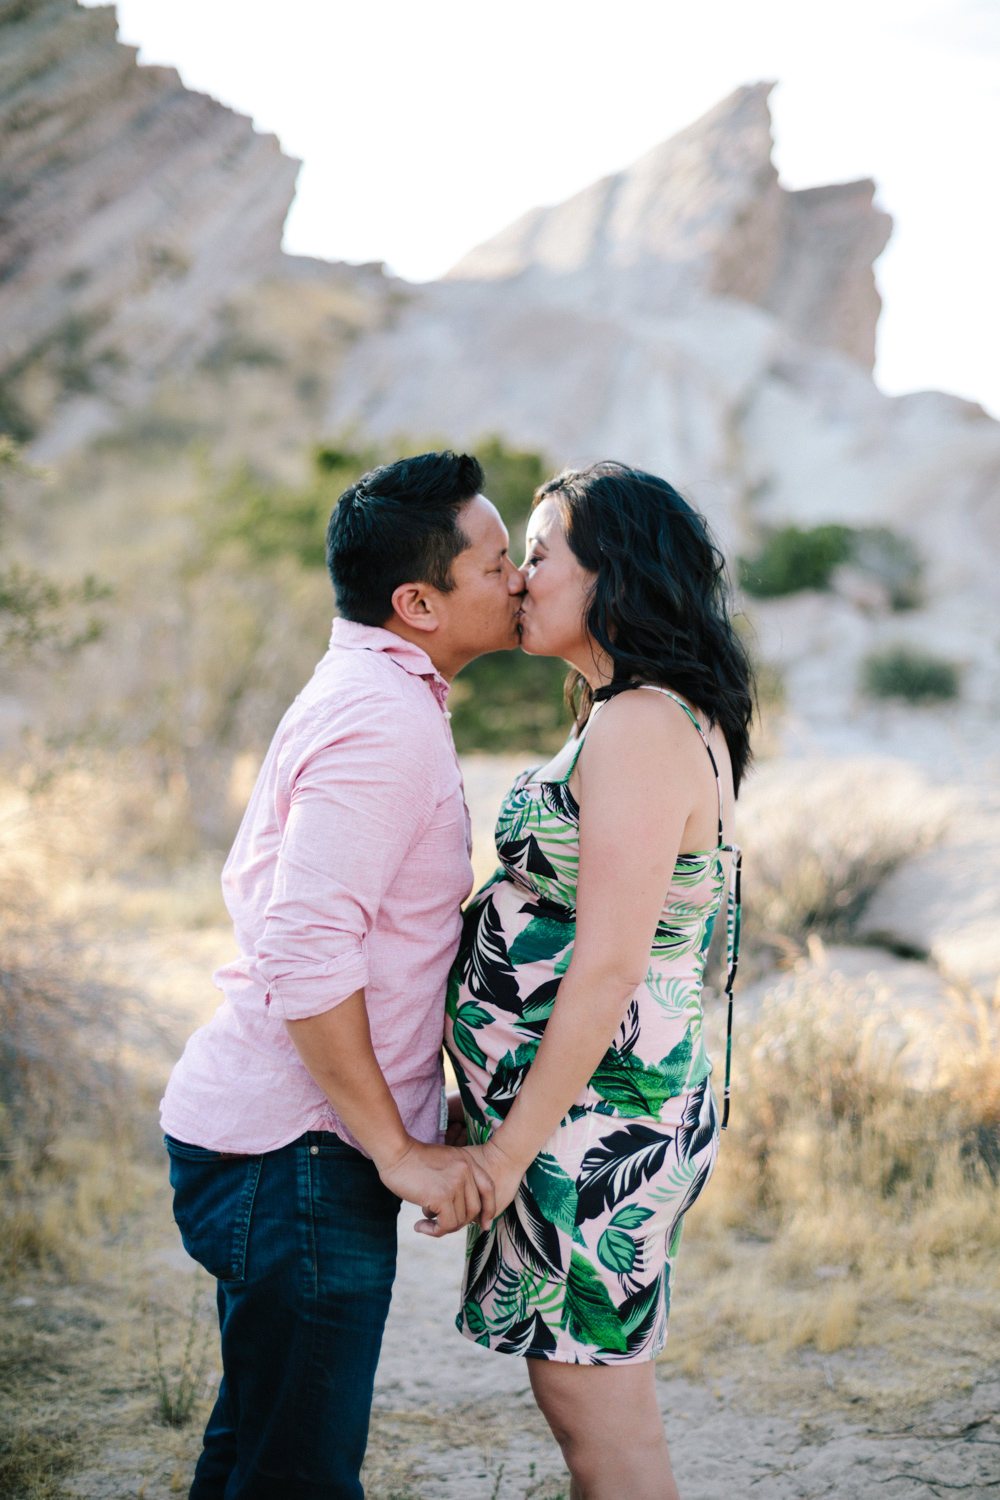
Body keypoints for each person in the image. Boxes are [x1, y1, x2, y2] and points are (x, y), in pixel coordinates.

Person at [159, 451, 523, 1500]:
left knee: (257, 1450)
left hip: (292, 1150)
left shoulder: (387, 694)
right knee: (299, 1475)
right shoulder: (378, 719)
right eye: (496, 563)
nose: (517, 580)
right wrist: (395, 1149)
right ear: (418, 602)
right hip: (297, 1158)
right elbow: (304, 950)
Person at [440, 461, 753, 1500]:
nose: (520, 578)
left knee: (600, 1426)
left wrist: (502, 1155)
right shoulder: (629, 713)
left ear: (609, 574)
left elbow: (612, 963)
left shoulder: (642, 724)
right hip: (591, 1118)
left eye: (538, 555)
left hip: (592, 1132)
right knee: (594, 1409)